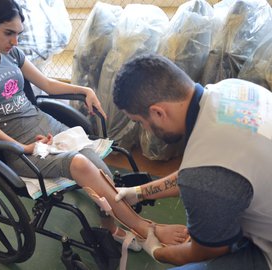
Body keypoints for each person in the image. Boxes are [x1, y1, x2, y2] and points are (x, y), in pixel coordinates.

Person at [0, 0, 189, 257]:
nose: (15, 42)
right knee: (81, 165)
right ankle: (147, 229)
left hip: (44, 125)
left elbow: (48, 85)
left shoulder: (11, 54)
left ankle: (108, 227)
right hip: (16, 145)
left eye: (18, 34)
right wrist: (22, 147)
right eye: (9, 33)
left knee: (99, 167)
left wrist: (85, 90)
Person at [113, 53, 272, 269]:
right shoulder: (231, 88)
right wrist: (140, 192)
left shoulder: (204, 173)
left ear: (158, 113)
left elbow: (203, 251)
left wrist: (157, 250)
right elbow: (214, 169)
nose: (146, 130)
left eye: (140, 122)